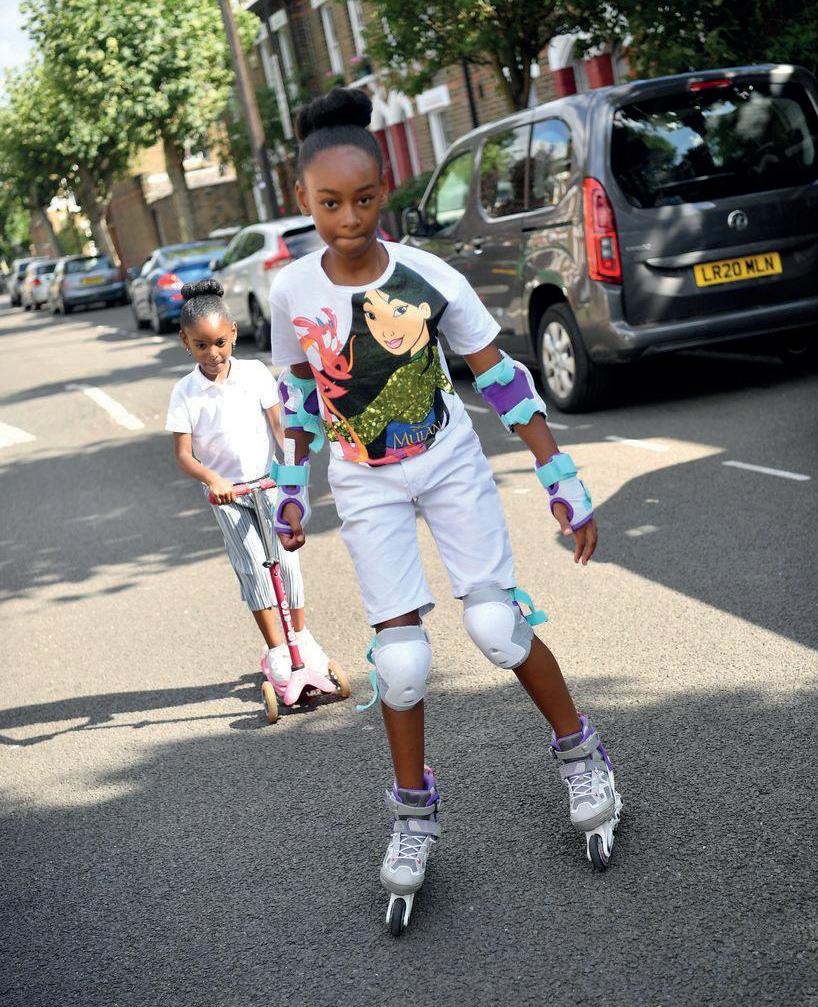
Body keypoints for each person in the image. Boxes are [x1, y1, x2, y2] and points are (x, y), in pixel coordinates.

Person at [269, 89, 622, 923]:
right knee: (400, 662)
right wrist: (290, 490)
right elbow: (299, 393)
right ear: (302, 198)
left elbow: (501, 377)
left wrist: (561, 477)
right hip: (363, 479)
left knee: (495, 625)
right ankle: (413, 813)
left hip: (447, 460)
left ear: (383, 191)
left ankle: (582, 753)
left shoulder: (429, 275)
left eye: (363, 200)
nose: (348, 219)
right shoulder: (289, 291)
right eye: (330, 203)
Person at [165, 279, 331, 686]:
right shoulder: (185, 393)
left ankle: (301, 638)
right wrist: (212, 478)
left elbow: (279, 427)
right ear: (185, 342)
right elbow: (184, 455)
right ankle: (277, 650)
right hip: (229, 497)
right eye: (201, 345)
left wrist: (292, 473)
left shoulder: (255, 373)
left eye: (220, 342)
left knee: (287, 562)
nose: (213, 353)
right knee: (254, 569)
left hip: (270, 485)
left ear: (234, 333)